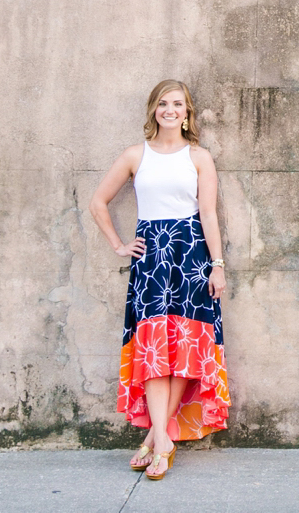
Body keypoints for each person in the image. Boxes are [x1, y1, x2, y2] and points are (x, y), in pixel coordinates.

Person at [89, 79, 229, 481]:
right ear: (153, 109)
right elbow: (99, 202)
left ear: (188, 113)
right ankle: (163, 441)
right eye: (164, 103)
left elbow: (208, 214)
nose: (171, 110)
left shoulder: (199, 157)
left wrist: (217, 264)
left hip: (192, 257)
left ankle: (155, 438)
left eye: (178, 104)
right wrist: (119, 244)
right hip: (150, 258)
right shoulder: (136, 155)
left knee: (186, 350)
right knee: (154, 353)